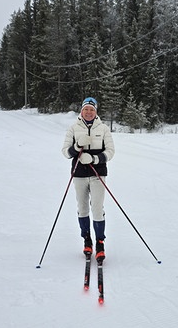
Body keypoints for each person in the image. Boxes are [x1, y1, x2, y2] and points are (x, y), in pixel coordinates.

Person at [62, 97, 115, 262]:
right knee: (83, 207)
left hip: (97, 173)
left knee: (98, 208)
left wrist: (94, 159)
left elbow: (111, 151)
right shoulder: (73, 128)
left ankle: (100, 243)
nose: (89, 112)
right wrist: (77, 147)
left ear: (96, 111)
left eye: (92, 109)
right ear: (81, 111)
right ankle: (87, 241)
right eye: (86, 109)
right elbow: (65, 152)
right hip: (79, 173)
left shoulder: (104, 128)